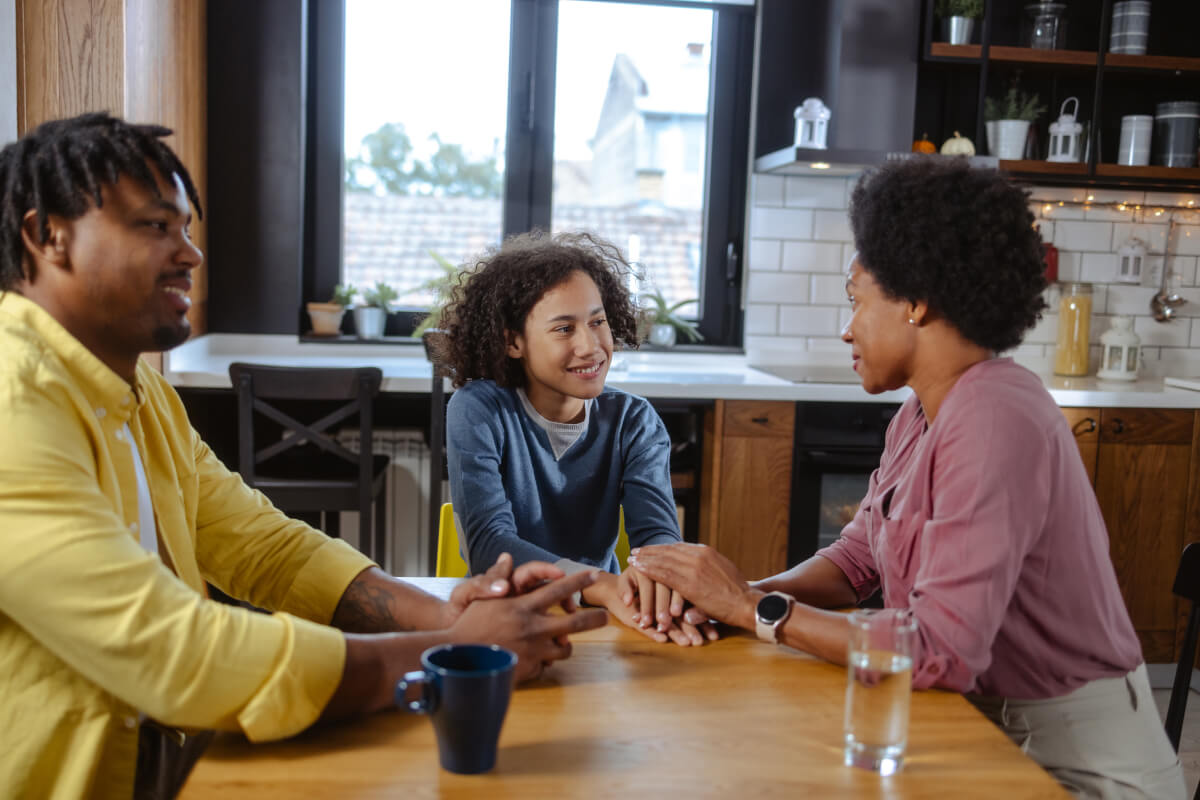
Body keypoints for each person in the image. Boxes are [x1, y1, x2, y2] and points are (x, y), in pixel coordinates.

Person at [0, 113, 608, 799]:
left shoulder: (139, 387)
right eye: (154, 226)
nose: (190, 254)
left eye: (187, 230)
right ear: (46, 237)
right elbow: (180, 654)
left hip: (168, 757)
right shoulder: (12, 406)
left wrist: (444, 615)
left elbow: (266, 548)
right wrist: (451, 652)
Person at [629, 157, 1185, 798]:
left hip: (1080, 764)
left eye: (856, 302)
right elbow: (858, 560)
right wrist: (733, 597)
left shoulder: (995, 416)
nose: (846, 329)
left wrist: (753, 608)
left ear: (917, 302)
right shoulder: (922, 411)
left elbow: (939, 652)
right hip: (980, 726)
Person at [438, 230, 712, 647]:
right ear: (513, 342)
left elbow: (658, 539)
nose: (591, 346)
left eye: (597, 321)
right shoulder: (478, 409)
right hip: (503, 622)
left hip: (602, 618)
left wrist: (661, 590)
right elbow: (490, 545)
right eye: (564, 329)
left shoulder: (634, 421)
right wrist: (598, 583)